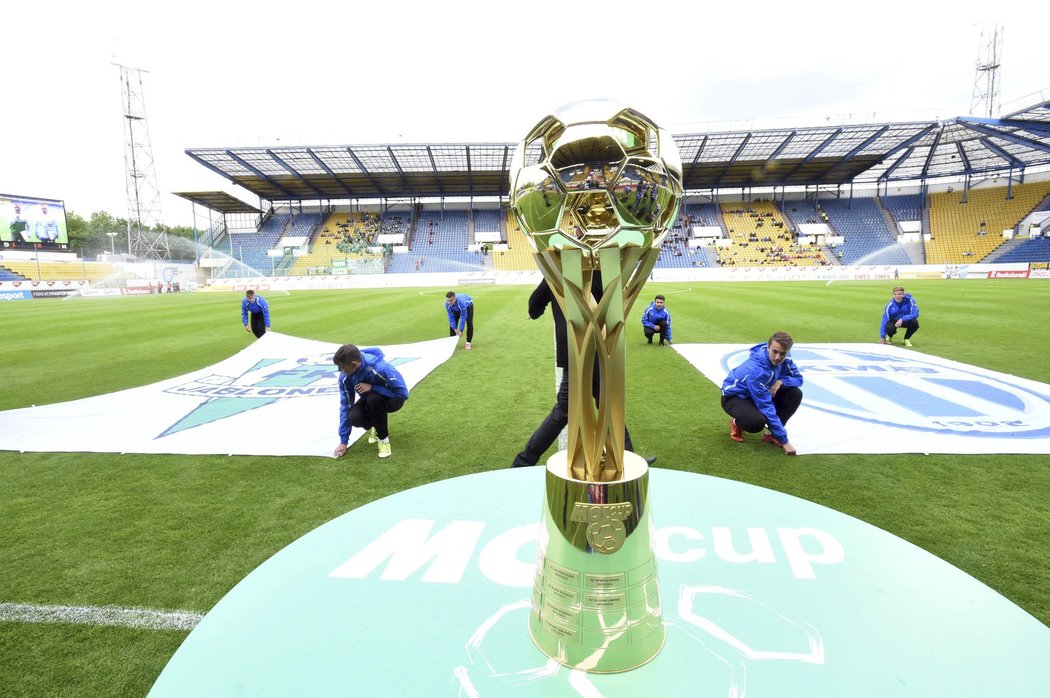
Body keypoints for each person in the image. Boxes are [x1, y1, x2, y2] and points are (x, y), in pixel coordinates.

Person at [511, 277, 652, 468]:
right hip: (598, 349)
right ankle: (524, 461)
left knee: (592, 406)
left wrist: (535, 312)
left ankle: (524, 461)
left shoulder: (557, 272)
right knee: (595, 406)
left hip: (574, 350)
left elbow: (535, 303)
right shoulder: (600, 273)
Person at [721, 331, 803, 456]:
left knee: (795, 394)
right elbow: (765, 406)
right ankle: (736, 423)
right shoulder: (756, 370)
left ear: (788, 352)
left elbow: (798, 379)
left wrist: (781, 381)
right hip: (735, 397)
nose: (777, 357)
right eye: (774, 351)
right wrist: (785, 441)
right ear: (768, 347)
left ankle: (770, 434)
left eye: (782, 353)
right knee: (756, 422)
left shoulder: (786, 359)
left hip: (761, 392)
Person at [333, 343, 409, 459]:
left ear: (354, 364)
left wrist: (373, 387)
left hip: (393, 400)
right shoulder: (345, 378)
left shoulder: (380, 368)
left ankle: (383, 440)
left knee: (374, 398)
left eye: (342, 368)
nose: (340, 371)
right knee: (354, 418)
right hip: (369, 400)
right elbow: (346, 406)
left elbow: (402, 393)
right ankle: (376, 423)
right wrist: (343, 441)